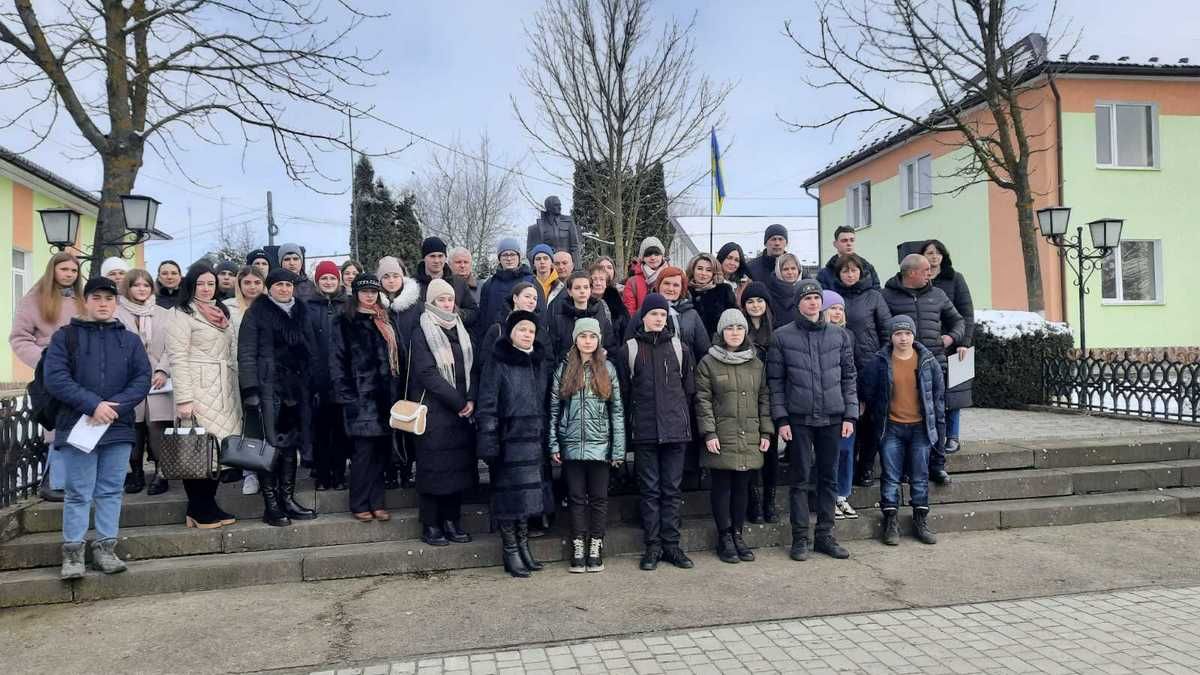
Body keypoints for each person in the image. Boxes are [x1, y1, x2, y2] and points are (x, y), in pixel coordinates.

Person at [43, 276, 151, 580]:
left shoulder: (129, 340)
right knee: (78, 492)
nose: (103, 304)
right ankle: (73, 553)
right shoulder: (65, 337)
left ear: (116, 302)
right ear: (85, 301)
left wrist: (114, 407)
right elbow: (56, 378)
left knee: (111, 490)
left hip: (117, 425)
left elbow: (142, 378)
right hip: (78, 424)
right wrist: (93, 405)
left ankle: (106, 549)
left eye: (109, 298)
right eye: (97, 298)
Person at [767, 279, 857, 562]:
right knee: (800, 479)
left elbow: (849, 377)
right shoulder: (782, 337)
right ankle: (800, 539)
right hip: (799, 419)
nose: (813, 302)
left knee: (828, 478)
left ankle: (825, 536)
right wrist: (781, 419)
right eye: (807, 298)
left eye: (817, 298)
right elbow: (775, 382)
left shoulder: (839, 336)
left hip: (833, 417)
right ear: (798, 303)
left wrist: (850, 414)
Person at [615, 293, 697, 572]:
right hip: (645, 430)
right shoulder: (628, 350)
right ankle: (653, 545)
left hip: (675, 431)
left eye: (663, 315)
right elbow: (624, 393)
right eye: (654, 314)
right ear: (643, 317)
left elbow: (688, 390)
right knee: (649, 491)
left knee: (671, 490)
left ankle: (672, 545)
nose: (659, 319)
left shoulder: (680, 348)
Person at [237, 269, 320, 526]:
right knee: (269, 446)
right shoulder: (256, 313)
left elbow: (311, 349)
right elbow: (246, 353)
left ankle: (288, 499)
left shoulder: (301, 311)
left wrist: (314, 383)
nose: (284, 289)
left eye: (288, 284)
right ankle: (271, 505)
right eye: (279, 285)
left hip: (297, 390)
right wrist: (250, 390)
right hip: (268, 389)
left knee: (290, 446)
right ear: (270, 288)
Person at [165, 264, 242, 528]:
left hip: (224, 389)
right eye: (200, 284)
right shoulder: (181, 313)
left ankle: (206, 505)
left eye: (210, 283)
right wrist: (184, 399)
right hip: (198, 388)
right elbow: (177, 357)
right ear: (191, 285)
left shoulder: (220, 311)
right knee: (197, 449)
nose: (206, 289)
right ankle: (199, 508)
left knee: (217, 452)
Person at [695, 309, 773, 565]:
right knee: (722, 485)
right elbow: (703, 400)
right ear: (721, 332)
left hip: (749, 433)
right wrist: (709, 432)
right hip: (721, 434)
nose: (735, 333)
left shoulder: (756, 363)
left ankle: (738, 534)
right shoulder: (708, 363)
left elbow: (764, 398)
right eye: (729, 328)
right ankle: (724, 536)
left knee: (742, 486)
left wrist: (766, 431)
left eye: (739, 328)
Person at [477, 309, 550, 577]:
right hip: (507, 441)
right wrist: (488, 442)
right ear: (511, 333)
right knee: (508, 498)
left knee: (527, 499)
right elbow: (487, 403)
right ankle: (510, 550)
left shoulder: (538, 361)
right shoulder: (498, 360)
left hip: (533, 440)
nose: (527, 335)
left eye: (531, 331)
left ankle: (523, 545)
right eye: (522, 330)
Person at [549, 318, 625, 573]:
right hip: (571, 445)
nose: (588, 341)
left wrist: (617, 449)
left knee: (599, 498)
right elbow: (554, 409)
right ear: (576, 340)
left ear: (598, 340)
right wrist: (553, 444)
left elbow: (617, 411)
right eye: (583, 336)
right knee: (576, 498)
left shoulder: (608, 369)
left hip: (600, 446)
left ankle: (596, 544)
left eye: (592, 337)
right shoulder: (564, 369)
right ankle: (578, 543)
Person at [881, 254, 964, 486]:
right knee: (904, 418)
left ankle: (937, 465)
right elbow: (881, 328)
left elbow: (959, 321)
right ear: (911, 273)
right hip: (900, 365)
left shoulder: (938, 294)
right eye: (926, 270)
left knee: (937, 416)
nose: (930, 273)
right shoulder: (886, 295)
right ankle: (907, 468)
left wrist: (951, 337)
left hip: (934, 363)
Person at [863, 315, 943, 546]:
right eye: (898, 334)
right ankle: (890, 521)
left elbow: (937, 398)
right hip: (891, 427)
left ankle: (920, 520)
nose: (903, 338)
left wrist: (939, 432)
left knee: (920, 475)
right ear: (891, 337)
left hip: (920, 428)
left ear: (913, 335)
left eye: (907, 333)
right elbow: (867, 391)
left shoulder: (928, 361)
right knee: (890, 476)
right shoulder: (879, 361)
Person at [10, 251, 83, 502]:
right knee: (58, 423)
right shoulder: (33, 301)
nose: (69, 275)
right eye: (64, 269)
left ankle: (79, 480)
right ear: (53, 270)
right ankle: (54, 480)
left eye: (74, 271)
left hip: (83, 372)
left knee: (81, 425)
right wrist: (45, 361)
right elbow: (19, 338)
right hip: (52, 372)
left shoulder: (83, 300)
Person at [330, 274, 403, 521]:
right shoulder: (343, 321)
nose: (370, 296)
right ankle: (359, 502)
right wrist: (347, 396)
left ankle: (377, 502)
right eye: (365, 291)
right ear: (356, 293)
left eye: (373, 291)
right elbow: (336, 361)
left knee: (381, 452)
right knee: (363, 453)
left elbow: (398, 358)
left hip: (386, 397)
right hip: (360, 398)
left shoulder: (384, 318)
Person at [410, 279, 478, 544]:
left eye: (450, 299)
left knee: (457, 471)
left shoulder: (461, 329)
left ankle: (452, 521)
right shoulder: (422, 330)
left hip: (461, 414)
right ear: (431, 302)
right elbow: (427, 373)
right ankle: (431, 524)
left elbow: (474, 367)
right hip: (435, 413)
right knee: (433, 471)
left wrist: (471, 398)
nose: (447, 304)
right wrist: (459, 402)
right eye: (441, 300)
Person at [831, 253, 892, 487]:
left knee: (871, 422)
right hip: (842, 370)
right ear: (838, 274)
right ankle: (846, 469)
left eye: (854, 270)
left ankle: (866, 467)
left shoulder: (874, 296)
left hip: (870, 368)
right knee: (848, 422)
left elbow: (886, 331)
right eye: (845, 271)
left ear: (861, 272)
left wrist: (881, 361)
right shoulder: (832, 296)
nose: (850, 275)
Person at [115, 269, 172, 495]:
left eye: (146, 285)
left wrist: (163, 370)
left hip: (159, 380)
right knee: (134, 426)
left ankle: (161, 472)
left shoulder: (164, 313)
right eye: (136, 285)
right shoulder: (116, 313)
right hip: (129, 379)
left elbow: (173, 346)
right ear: (127, 287)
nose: (141, 289)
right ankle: (135, 472)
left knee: (158, 426)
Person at [923, 239, 974, 454]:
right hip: (927, 344)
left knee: (954, 394)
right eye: (929, 253)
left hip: (953, 344)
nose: (934, 256)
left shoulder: (955, 279)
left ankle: (953, 436)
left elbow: (966, 313)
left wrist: (963, 342)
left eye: (937, 252)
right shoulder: (919, 280)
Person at [223, 265, 266, 495]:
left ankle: (268, 467)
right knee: (246, 425)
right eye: (247, 282)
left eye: (257, 282)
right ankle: (249, 473)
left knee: (265, 424)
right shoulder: (228, 308)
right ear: (239, 285)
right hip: (238, 372)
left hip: (268, 376)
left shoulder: (271, 306)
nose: (252, 287)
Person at [739, 282, 779, 524]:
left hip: (771, 397)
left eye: (759, 301)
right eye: (750, 301)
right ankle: (754, 503)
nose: (755, 305)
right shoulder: (739, 331)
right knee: (752, 450)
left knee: (771, 452)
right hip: (747, 397)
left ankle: (769, 502)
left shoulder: (776, 331)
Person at [307, 261, 349, 492]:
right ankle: (322, 475)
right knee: (320, 430)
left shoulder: (347, 304)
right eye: (324, 278)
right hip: (318, 378)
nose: (329, 282)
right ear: (317, 281)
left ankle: (340, 474)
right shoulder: (308, 306)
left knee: (341, 430)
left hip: (342, 377)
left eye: (332, 278)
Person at [821, 290, 859, 520]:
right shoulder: (817, 335)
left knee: (846, 451)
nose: (837, 312)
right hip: (824, 404)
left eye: (840, 309)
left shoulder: (849, 336)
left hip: (845, 403)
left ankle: (842, 494)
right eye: (832, 308)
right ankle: (828, 496)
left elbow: (853, 371)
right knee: (828, 454)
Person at [545, 272, 616, 366]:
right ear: (569, 292)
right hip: (568, 368)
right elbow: (553, 350)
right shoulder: (559, 318)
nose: (582, 291)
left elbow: (610, 345)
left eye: (586, 287)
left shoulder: (600, 314)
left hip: (597, 368)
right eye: (577, 288)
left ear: (590, 290)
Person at [475, 237, 537, 343]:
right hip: (495, 341)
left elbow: (539, 314)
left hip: (523, 342)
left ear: (519, 257)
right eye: (505, 255)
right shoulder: (489, 284)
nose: (509, 258)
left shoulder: (531, 281)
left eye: (512, 254)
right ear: (499, 258)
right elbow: (482, 319)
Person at [415, 236, 478, 327]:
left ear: (445, 258)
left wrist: (457, 313)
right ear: (424, 258)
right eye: (432, 256)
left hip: (454, 334)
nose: (437, 260)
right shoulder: (413, 284)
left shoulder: (459, 283)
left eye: (440, 256)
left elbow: (474, 313)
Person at [686, 253, 737, 337]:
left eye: (709, 270)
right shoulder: (685, 291)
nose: (703, 273)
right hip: (690, 340)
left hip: (718, 341)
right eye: (699, 268)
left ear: (714, 273)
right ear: (693, 270)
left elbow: (734, 318)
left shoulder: (724, 290)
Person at [817, 226, 881, 290]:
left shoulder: (868, 268)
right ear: (835, 244)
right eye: (844, 241)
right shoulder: (825, 274)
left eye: (852, 240)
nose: (849, 244)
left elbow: (877, 292)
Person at [621, 236, 665, 315]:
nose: (653, 257)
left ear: (662, 255)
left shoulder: (672, 277)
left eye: (656, 253)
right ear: (642, 258)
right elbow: (630, 312)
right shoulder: (633, 282)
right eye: (648, 254)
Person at [590, 261, 629, 341]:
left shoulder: (617, 305)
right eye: (594, 279)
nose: (598, 283)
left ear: (606, 283)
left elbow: (625, 330)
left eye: (602, 279)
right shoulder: (582, 302)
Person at [766, 253, 804, 328]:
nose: (790, 272)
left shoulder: (807, 290)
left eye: (793, 268)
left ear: (799, 270)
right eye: (785, 269)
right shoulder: (769, 292)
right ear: (778, 272)